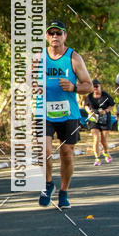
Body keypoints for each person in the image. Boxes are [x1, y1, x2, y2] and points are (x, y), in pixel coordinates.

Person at [39, 20, 93, 209]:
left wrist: (74, 87)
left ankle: (63, 192)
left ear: (65, 36)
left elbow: (89, 85)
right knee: (43, 151)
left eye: (58, 33)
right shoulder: (38, 58)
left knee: (66, 154)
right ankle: (47, 183)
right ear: (46, 36)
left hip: (68, 113)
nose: (55, 36)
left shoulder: (73, 58)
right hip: (43, 112)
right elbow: (26, 82)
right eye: (51, 33)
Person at [85, 80, 115, 165]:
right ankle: (97, 158)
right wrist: (90, 112)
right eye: (93, 86)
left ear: (100, 86)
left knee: (103, 140)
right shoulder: (89, 96)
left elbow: (112, 105)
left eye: (96, 86)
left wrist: (106, 110)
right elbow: (86, 106)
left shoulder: (106, 95)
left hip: (105, 119)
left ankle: (105, 152)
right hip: (94, 119)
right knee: (96, 139)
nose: (95, 88)